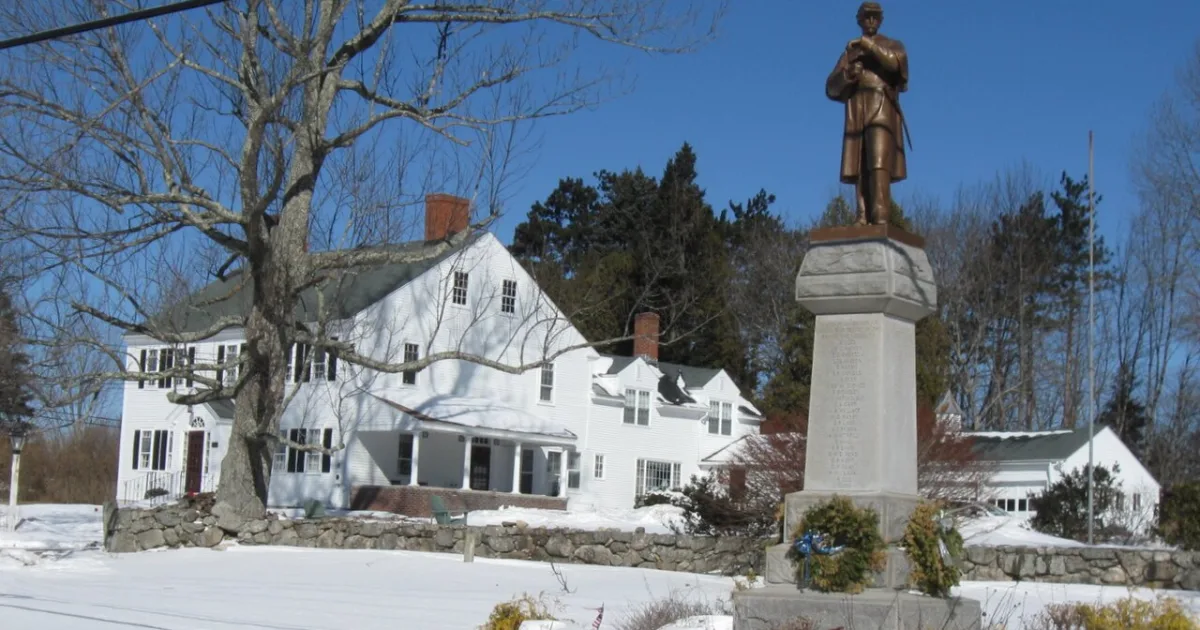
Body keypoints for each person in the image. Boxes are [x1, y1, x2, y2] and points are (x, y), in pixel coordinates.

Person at [825, 2, 909, 226]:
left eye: (875, 17)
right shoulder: (850, 53)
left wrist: (868, 46)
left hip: (881, 104)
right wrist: (849, 73)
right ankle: (862, 215)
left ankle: (880, 214)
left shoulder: (892, 45)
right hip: (857, 106)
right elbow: (830, 87)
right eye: (866, 17)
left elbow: (895, 65)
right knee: (860, 162)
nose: (871, 21)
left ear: (881, 20)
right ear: (859, 20)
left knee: (879, 160)